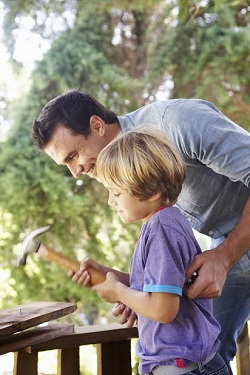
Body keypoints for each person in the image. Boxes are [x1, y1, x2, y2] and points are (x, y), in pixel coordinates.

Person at [30, 89, 250, 373]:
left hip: (233, 244)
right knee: (205, 347)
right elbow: (169, 295)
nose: (76, 171)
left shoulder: (177, 123)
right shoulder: (131, 179)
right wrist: (136, 289)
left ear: (97, 126)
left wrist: (224, 256)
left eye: (74, 156)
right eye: (66, 164)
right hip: (233, 244)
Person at [71, 127, 230, 375]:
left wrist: (119, 292)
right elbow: (161, 286)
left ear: (153, 191)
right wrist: (108, 274)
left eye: (116, 193)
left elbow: (162, 309)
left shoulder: (161, 228)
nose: (111, 202)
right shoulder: (163, 223)